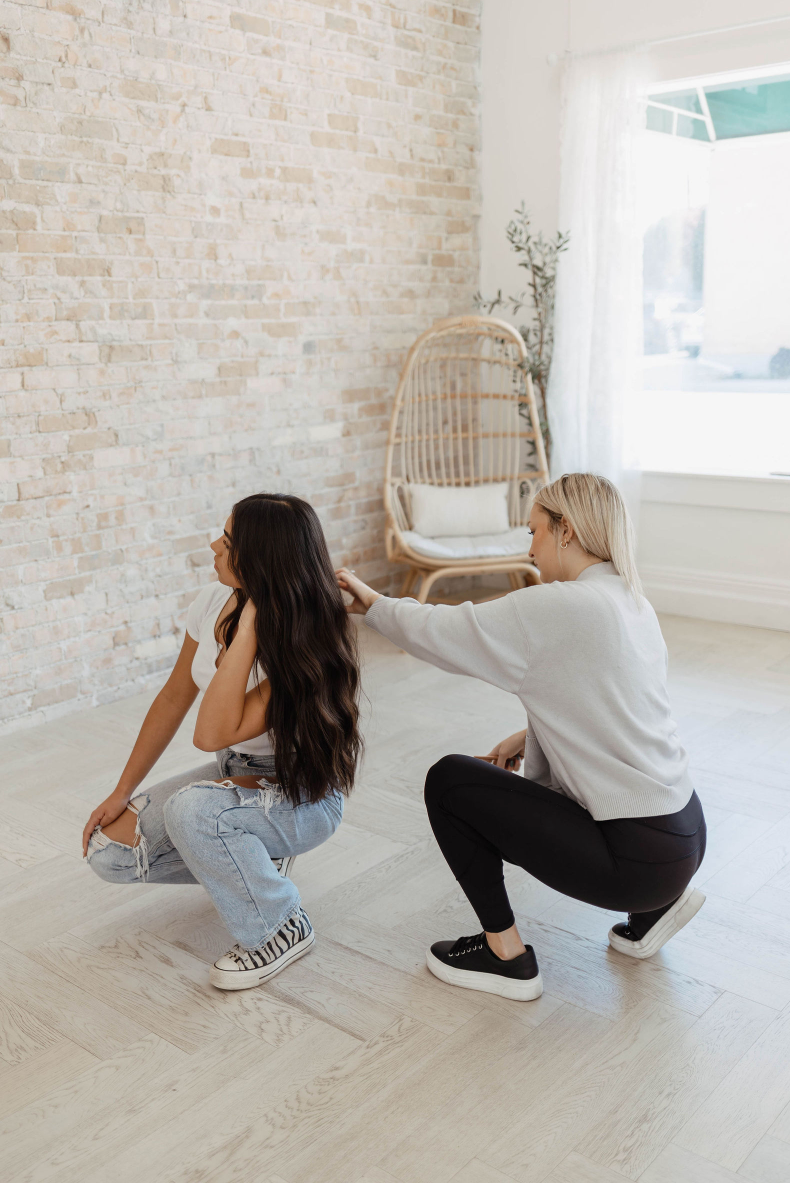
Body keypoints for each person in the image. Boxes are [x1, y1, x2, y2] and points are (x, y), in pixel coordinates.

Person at [337, 473, 706, 1003]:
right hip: (686, 837)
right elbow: (607, 703)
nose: (528, 546)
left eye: (534, 531)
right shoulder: (630, 599)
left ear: (566, 531)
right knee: (484, 774)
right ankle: (654, 912)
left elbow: (447, 631)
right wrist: (528, 735)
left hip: (638, 862)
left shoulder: (562, 605)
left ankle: (504, 956)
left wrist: (372, 604)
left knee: (450, 782)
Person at [84, 493, 361, 991]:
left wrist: (252, 618)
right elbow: (174, 698)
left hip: (302, 792)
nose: (214, 544)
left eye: (229, 540)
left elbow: (209, 732)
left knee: (192, 812)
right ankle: (256, 862)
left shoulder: (307, 639)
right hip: (236, 774)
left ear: (261, 560)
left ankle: (280, 926)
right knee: (109, 853)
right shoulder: (211, 600)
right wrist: (121, 791)